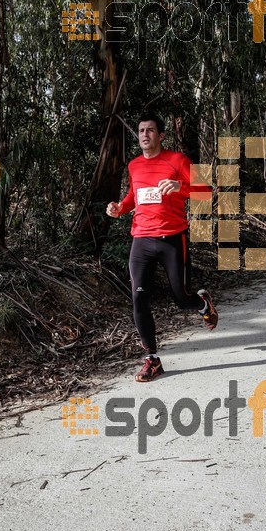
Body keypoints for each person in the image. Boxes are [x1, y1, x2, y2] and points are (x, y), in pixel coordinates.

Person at [106, 113, 217, 382]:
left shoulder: (178, 160)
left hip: (171, 238)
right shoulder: (133, 166)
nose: (145, 134)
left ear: (161, 135)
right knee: (139, 298)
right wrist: (120, 208)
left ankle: (203, 305)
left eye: (151, 130)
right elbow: (134, 196)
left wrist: (181, 186)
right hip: (141, 240)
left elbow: (207, 190)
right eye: (142, 130)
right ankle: (152, 360)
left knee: (181, 297)